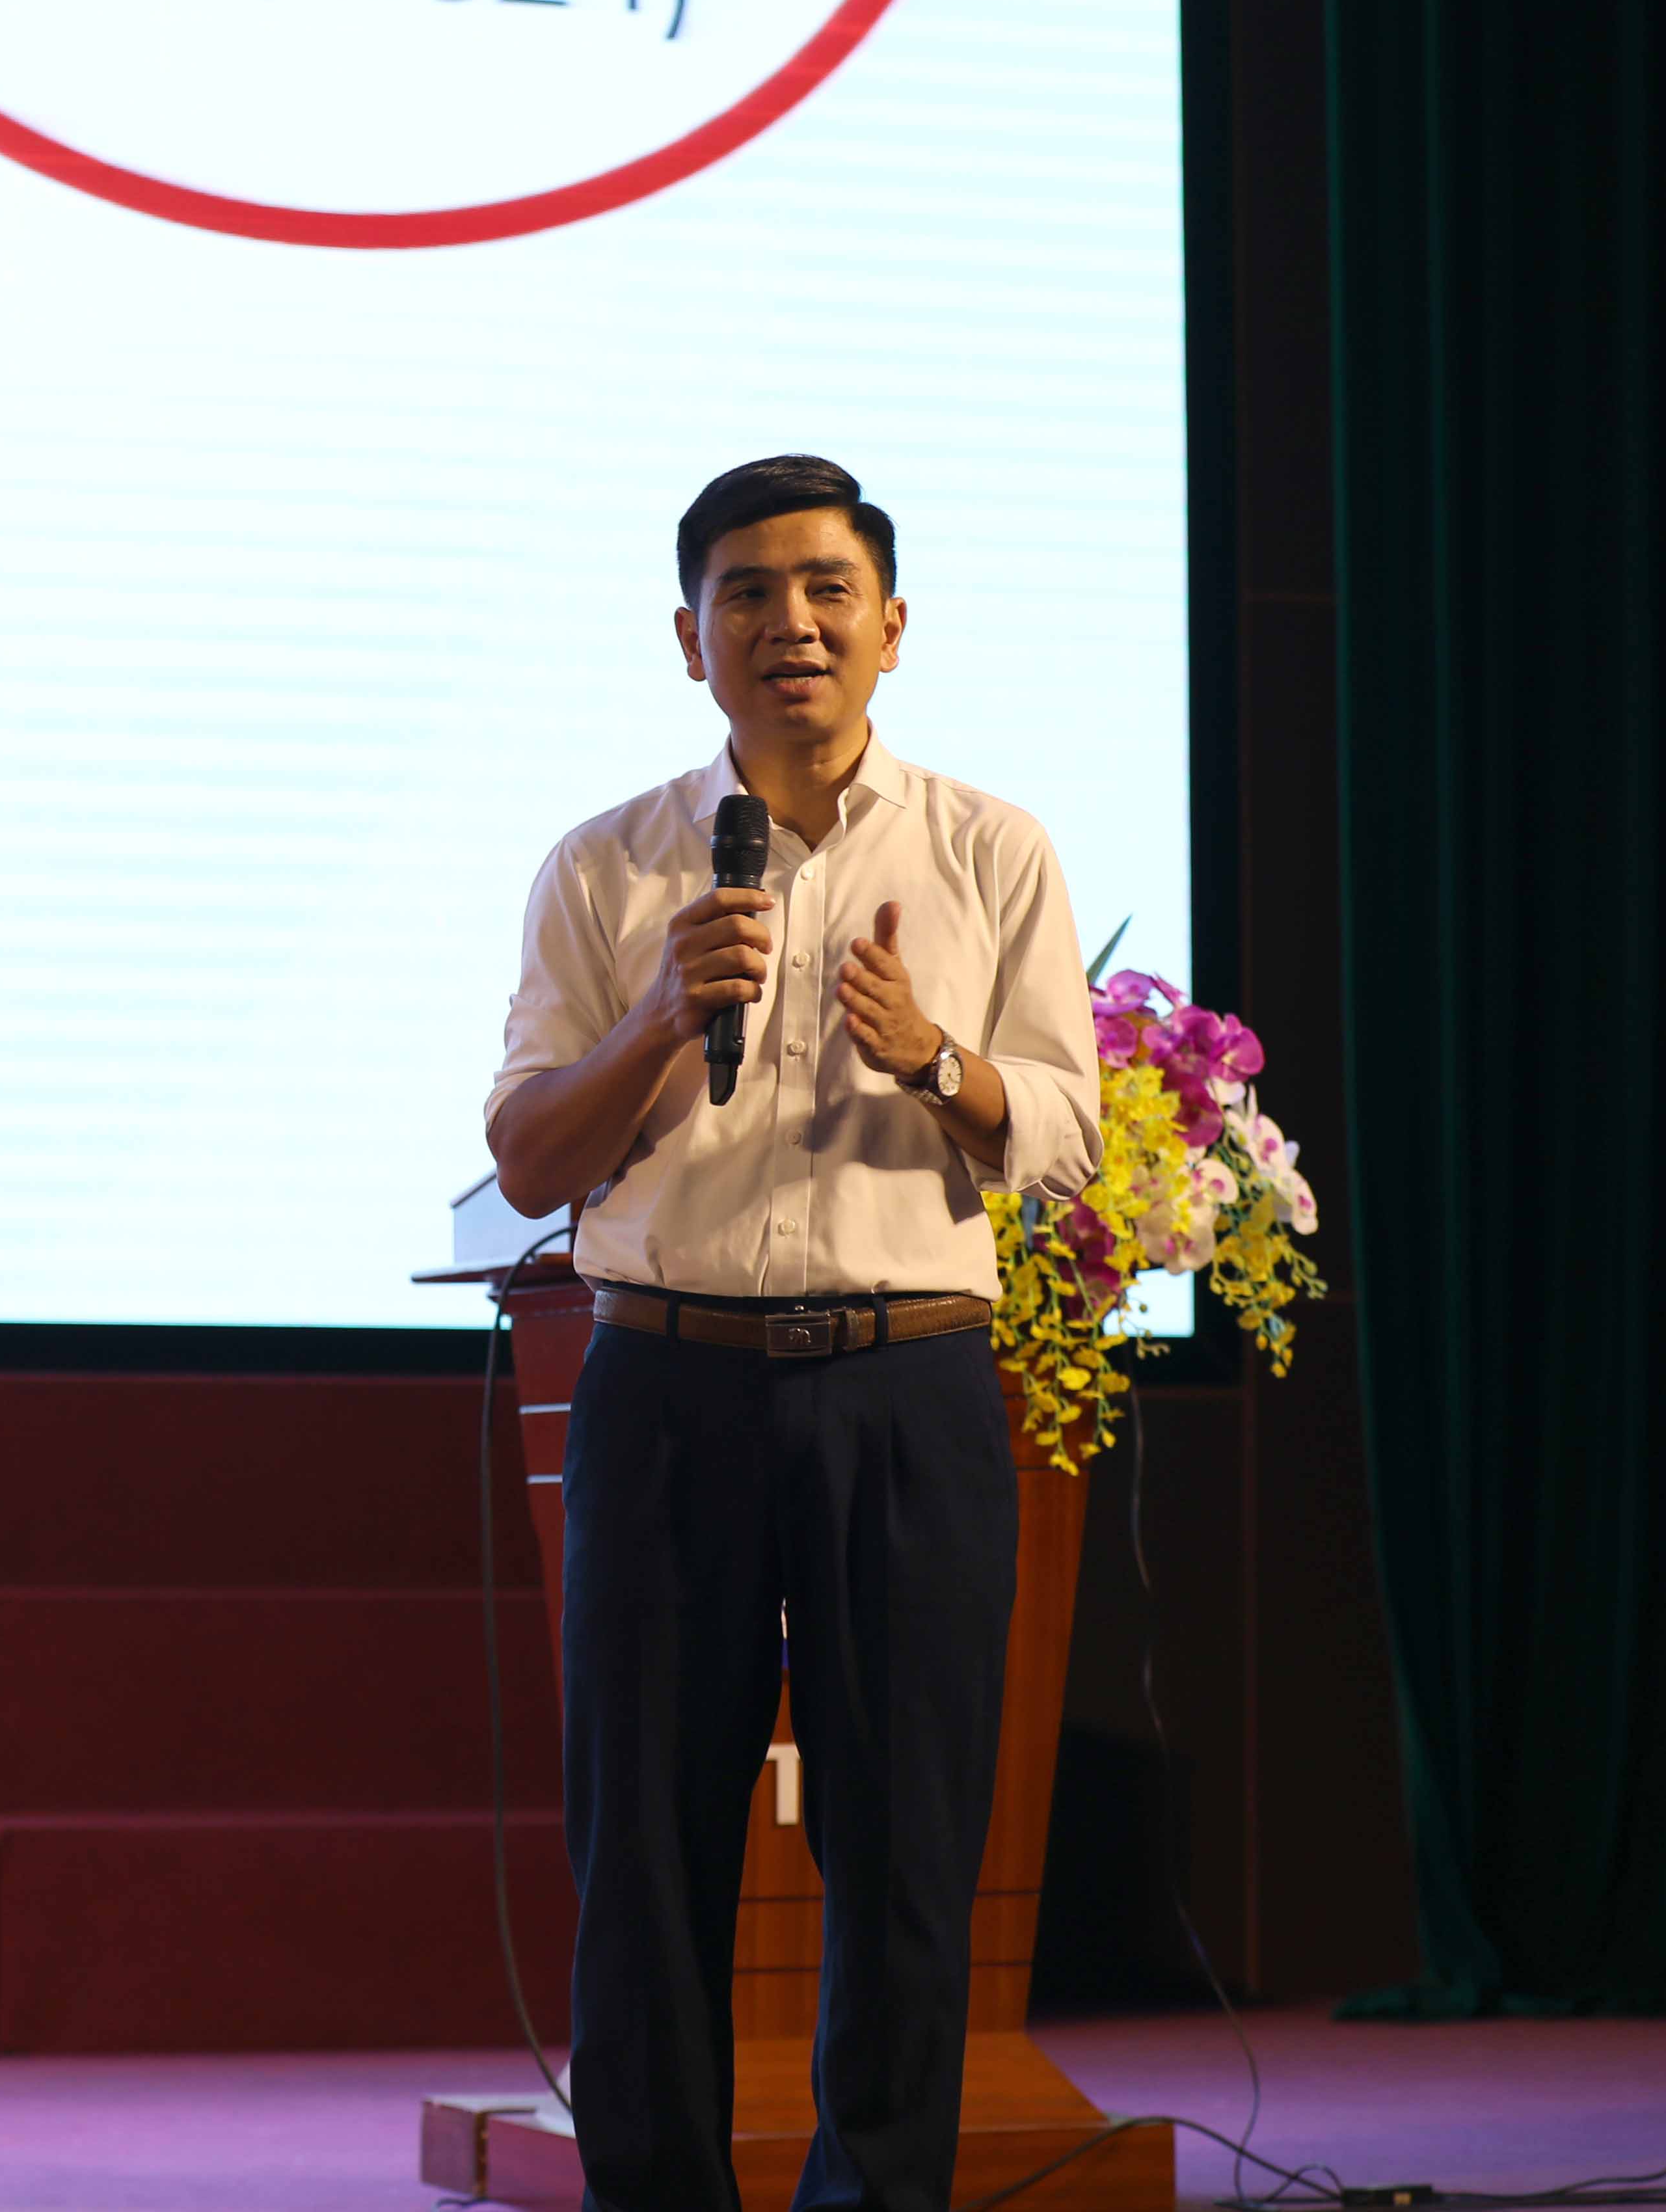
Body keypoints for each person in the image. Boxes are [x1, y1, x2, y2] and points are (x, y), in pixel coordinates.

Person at [485, 454, 1103, 2212]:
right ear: (690, 640)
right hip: (667, 1381)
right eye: (745, 594)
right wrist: (658, 1020)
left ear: (892, 627)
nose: (791, 625)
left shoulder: (990, 849)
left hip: (906, 1385)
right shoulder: (606, 866)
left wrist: (933, 1057)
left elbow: (1064, 1131)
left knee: (905, 1853)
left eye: (827, 590)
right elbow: (527, 1154)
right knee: (646, 1852)